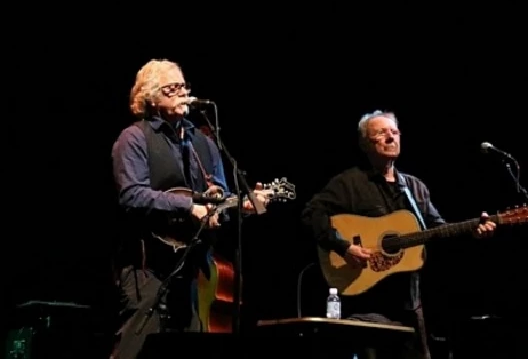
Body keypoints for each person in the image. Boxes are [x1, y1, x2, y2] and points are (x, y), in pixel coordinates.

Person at [301, 110, 496, 359]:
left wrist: (472, 231)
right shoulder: (349, 183)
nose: (391, 138)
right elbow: (311, 213)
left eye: (394, 132)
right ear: (364, 144)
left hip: (410, 308)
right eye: (382, 133)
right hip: (366, 306)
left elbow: (437, 230)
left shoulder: (415, 188)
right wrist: (343, 246)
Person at [110, 59, 269, 359]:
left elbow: (219, 197)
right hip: (146, 266)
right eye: (173, 88)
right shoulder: (133, 138)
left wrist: (240, 205)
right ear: (151, 97)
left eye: (185, 86)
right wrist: (188, 205)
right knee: (138, 346)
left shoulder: (204, 142)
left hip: (193, 265)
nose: (183, 93)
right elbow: (132, 195)